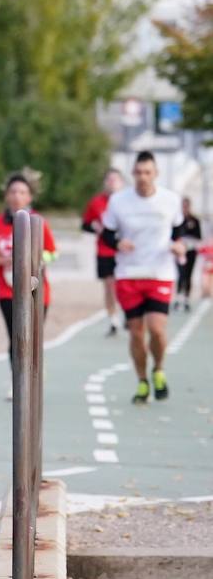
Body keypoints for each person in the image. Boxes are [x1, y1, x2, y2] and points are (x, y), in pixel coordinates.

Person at [100, 151, 186, 404]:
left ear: (155, 174)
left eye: (147, 172)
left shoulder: (170, 200)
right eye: (138, 172)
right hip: (129, 273)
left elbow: (178, 229)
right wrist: (118, 242)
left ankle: (158, 369)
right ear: (133, 174)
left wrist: (177, 244)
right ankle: (142, 381)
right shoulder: (119, 201)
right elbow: (107, 235)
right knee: (136, 332)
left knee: (157, 329)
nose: (142, 177)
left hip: (160, 272)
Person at [0, 174, 57, 384]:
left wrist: (33, 259)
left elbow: (52, 252)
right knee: (16, 337)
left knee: (33, 336)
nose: (17, 196)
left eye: (22, 192)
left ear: (30, 197)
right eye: (13, 192)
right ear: (6, 196)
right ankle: (18, 381)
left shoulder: (39, 223)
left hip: (36, 290)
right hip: (7, 291)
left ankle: (34, 376)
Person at [82, 169, 126, 336]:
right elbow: (85, 224)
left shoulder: (127, 202)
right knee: (109, 286)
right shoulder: (96, 203)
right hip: (104, 250)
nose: (112, 182)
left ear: (121, 183)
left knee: (123, 286)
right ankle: (113, 319)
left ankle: (128, 314)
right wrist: (94, 227)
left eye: (115, 179)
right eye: (109, 179)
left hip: (123, 251)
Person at [173, 197, 202, 312]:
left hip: (190, 252)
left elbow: (199, 237)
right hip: (180, 252)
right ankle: (178, 297)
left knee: (188, 275)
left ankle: (186, 298)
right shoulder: (178, 220)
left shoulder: (194, 220)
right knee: (181, 274)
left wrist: (189, 243)